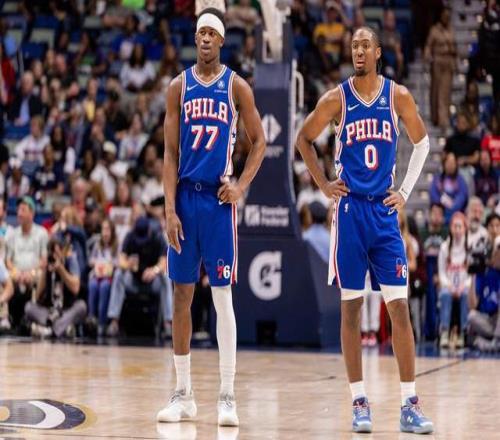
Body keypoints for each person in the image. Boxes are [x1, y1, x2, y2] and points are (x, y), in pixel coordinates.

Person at [296, 26, 433, 434]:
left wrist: (404, 191)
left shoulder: (398, 96)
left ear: (377, 52)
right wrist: (323, 184)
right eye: (353, 45)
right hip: (351, 212)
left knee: (399, 309)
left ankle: (410, 404)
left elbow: (423, 143)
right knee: (352, 308)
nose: (358, 51)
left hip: (384, 215)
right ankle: (359, 401)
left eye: (364, 46)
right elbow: (304, 139)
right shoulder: (336, 99)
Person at [158, 8, 266, 427]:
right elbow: (170, 154)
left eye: (211, 33)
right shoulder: (178, 87)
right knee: (181, 295)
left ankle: (227, 395)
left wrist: (241, 185)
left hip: (219, 202)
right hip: (185, 198)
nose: (204, 38)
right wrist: (169, 208)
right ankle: (183, 394)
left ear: (221, 40)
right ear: (195, 38)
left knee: (222, 297)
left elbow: (259, 142)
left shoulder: (236, 86)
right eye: (200, 32)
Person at [24, 236, 86, 338]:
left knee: (81, 306)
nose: (55, 256)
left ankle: (49, 330)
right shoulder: (48, 264)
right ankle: (62, 329)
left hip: (66, 309)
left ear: (63, 251)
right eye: (52, 253)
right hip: (49, 312)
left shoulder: (71, 261)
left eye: (57, 253)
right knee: (28, 307)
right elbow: (38, 295)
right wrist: (44, 271)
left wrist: (61, 270)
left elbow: (75, 288)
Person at [437, 212, 470, 349]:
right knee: (445, 295)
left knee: (466, 295)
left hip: (464, 287)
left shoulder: (469, 247)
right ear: (450, 228)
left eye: (459, 226)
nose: (457, 230)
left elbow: (471, 274)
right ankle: (444, 332)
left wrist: (463, 286)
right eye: (454, 226)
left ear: (465, 228)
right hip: (449, 287)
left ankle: (463, 332)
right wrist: (449, 286)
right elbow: (441, 273)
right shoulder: (444, 247)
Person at [467, 214, 500, 351]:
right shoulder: (482, 264)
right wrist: (473, 275)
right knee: (472, 316)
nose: (495, 230)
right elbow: (473, 305)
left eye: (498, 226)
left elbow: (496, 260)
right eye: (491, 226)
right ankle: (495, 342)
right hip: (490, 319)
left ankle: (492, 342)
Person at [424, 6, 456, 131]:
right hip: (437, 61)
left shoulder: (451, 30)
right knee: (436, 91)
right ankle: (436, 118)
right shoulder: (434, 30)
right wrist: (427, 56)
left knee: (445, 91)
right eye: (444, 15)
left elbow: (454, 48)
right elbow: (428, 45)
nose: (446, 17)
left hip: (448, 62)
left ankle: (444, 119)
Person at [88, 218, 118, 337]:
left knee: (104, 287)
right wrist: (96, 263)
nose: (105, 233)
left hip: (109, 277)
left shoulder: (116, 246)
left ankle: (102, 322)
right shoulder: (97, 245)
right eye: (103, 230)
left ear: (112, 232)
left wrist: (109, 265)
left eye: (107, 230)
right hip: (97, 275)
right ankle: (91, 317)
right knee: (93, 285)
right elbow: (91, 260)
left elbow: (118, 261)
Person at [429, 152, 469, 223]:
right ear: (444, 164)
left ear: (456, 165)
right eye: (448, 162)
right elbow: (433, 194)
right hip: (440, 213)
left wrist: (452, 205)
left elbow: (462, 196)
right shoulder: (437, 178)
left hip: (456, 214)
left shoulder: (460, 180)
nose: (450, 165)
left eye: (453, 163)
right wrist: (441, 203)